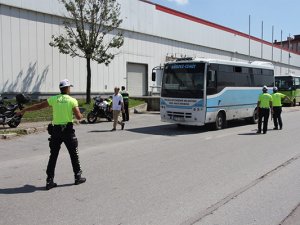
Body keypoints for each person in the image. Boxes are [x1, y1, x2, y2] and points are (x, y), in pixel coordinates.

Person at [18, 79, 86, 190]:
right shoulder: (72, 100)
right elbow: (78, 117)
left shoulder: (54, 99)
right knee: (73, 154)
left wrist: (25, 110)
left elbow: (39, 106)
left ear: (60, 89)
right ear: (68, 88)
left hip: (56, 131)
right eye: (70, 87)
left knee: (53, 156)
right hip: (68, 131)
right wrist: (80, 114)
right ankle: (77, 177)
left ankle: (49, 180)